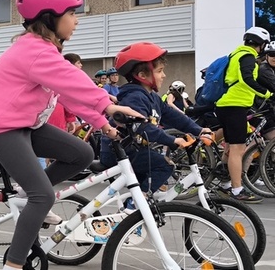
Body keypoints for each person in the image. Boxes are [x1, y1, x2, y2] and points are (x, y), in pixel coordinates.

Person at [0, 0, 141, 270]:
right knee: (43, 195)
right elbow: (74, 81)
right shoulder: (33, 50)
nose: (77, 20)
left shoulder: (44, 49)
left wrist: (103, 124)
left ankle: (26, 197)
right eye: (72, 13)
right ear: (49, 16)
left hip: (25, 125)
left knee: (81, 152)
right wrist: (107, 103)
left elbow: (67, 92)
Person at [100, 42, 211, 199]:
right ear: (142, 76)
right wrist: (172, 140)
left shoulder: (152, 98)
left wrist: (198, 130)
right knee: (164, 166)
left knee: (149, 179)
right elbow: (142, 127)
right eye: (160, 71)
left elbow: (173, 116)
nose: (164, 75)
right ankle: (136, 206)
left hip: (133, 151)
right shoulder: (134, 98)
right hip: (118, 151)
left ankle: (134, 212)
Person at [214, 26, 272, 203]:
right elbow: (247, 80)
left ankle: (224, 185)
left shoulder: (236, 54)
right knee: (237, 150)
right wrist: (267, 93)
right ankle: (237, 190)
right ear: (261, 44)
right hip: (234, 106)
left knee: (231, 147)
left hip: (227, 105)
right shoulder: (247, 56)